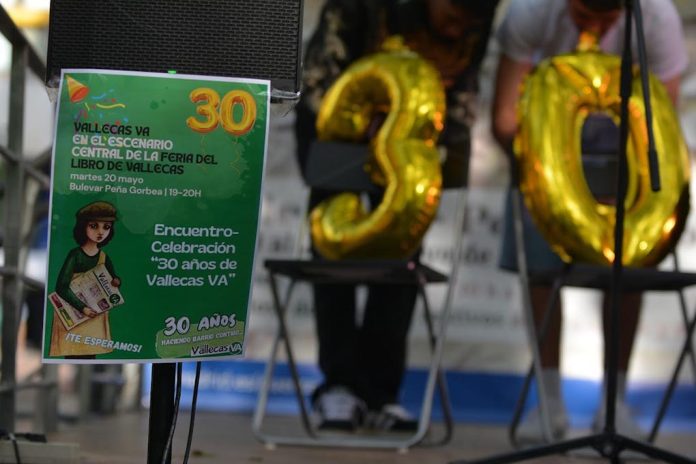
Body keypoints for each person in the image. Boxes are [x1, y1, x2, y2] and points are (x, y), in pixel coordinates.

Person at [295, 0, 500, 431]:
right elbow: (317, 82)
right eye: (453, 16)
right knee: (334, 247)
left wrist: (431, 142)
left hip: (411, 141)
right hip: (337, 127)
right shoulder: (364, 6)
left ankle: (381, 392)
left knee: (402, 251)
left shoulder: (475, 18)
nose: (458, 29)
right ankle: (338, 386)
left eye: (469, 23)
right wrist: (376, 123)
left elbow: (461, 91)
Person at [492, 0, 688, 443]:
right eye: (584, 14)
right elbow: (504, 120)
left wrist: (615, 179)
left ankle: (614, 403)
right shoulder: (531, 11)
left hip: (623, 163)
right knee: (540, 256)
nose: (594, 26)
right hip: (548, 155)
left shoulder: (657, 19)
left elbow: (662, 127)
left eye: (607, 17)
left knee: (634, 256)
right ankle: (548, 402)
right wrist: (554, 181)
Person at [49, 201, 122, 358]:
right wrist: (83, 308)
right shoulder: (75, 255)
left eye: (106, 227)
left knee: (90, 352)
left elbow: (113, 279)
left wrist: (116, 281)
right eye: (94, 226)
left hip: (95, 317)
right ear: (83, 227)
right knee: (72, 352)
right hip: (74, 313)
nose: (100, 232)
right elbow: (61, 287)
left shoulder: (104, 257)